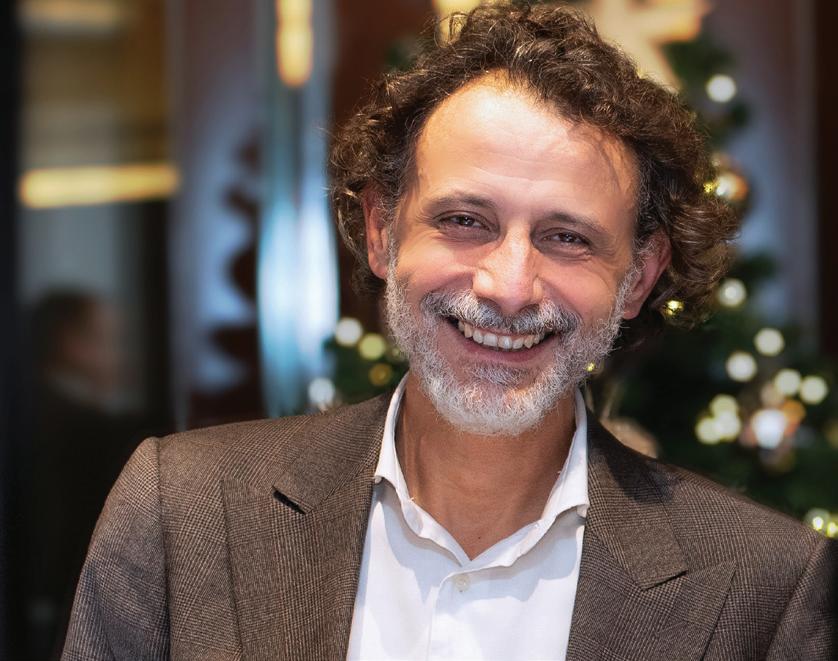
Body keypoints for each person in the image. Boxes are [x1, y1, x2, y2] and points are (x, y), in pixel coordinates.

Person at [62, 4, 836, 660]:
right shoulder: (182, 513)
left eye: (566, 237)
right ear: (381, 230)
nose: (509, 286)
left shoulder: (766, 588)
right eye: (466, 220)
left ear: (637, 276)